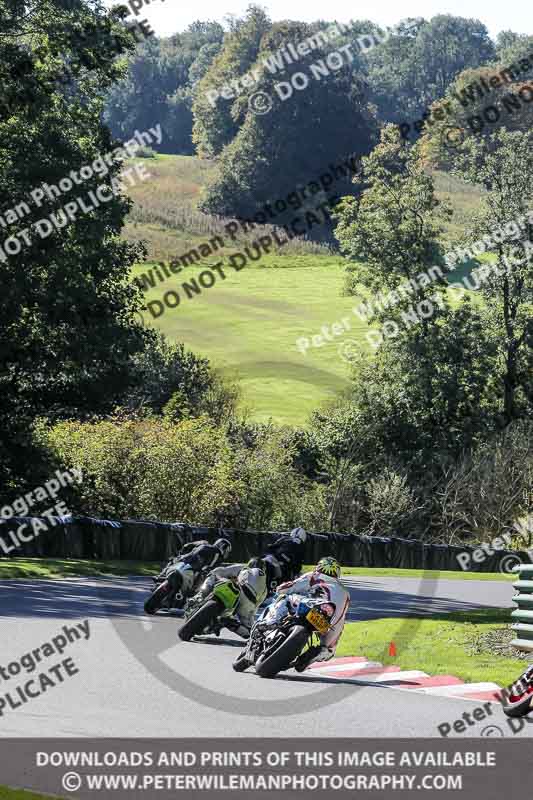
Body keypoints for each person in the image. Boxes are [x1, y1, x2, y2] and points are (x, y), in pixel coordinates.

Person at [274, 556, 350, 672]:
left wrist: (279, 589)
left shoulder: (314, 576)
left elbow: (289, 587)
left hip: (308, 608)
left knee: (286, 597)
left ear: (319, 567)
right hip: (328, 624)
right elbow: (340, 618)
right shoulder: (345, 592)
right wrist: (330, 644)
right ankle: (322, 651)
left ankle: (273, 621)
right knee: (329, 649)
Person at [192, 558, 268, 638]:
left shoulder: (244, 568)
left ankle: (200, 595)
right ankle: (228, 622)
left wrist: (216, 576)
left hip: (237, 590)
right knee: (249, 631)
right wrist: (251, 625)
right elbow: (254, 609)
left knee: (215, 572)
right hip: (248, 604)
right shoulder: (265, 588)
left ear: (250, 564)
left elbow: (223, 571)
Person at [165, 537, 232, 597]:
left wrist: (181, 555)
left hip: (181, 562)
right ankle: (190, 594)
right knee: (200, 581)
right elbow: (208, 568)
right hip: (192, 570)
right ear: (223, 547)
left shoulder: (203, 543)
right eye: (226, 550)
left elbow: (186, 546)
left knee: (165, 571)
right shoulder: (217, 554)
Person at [262, 527, 307, 592]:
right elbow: (297, 567)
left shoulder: (284, 538)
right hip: (284, 567)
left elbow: (271, 547)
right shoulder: (302, 547)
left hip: (272, 558)